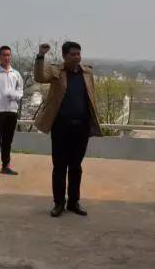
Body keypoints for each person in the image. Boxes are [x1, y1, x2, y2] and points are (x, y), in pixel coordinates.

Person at [34, 41, 102, 217]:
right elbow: (40, 77)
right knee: (59, 166)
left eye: (78, 54)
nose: (77, 57)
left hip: (81, 127)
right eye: (73, 54)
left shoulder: (87, 73)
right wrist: (41, 56)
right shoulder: (57, 71)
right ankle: (59, 203)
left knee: (76, 166)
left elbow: (91, 97)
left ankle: (73, 202)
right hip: (61, 127)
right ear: (64, 56)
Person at [0, 45, 24, 177]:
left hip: (12, 110)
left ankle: (6, 165)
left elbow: (20, 90)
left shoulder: (16, 73)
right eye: (4, 55)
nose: (6, 57)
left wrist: (15, 95)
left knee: (8, 140)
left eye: (8, 55)